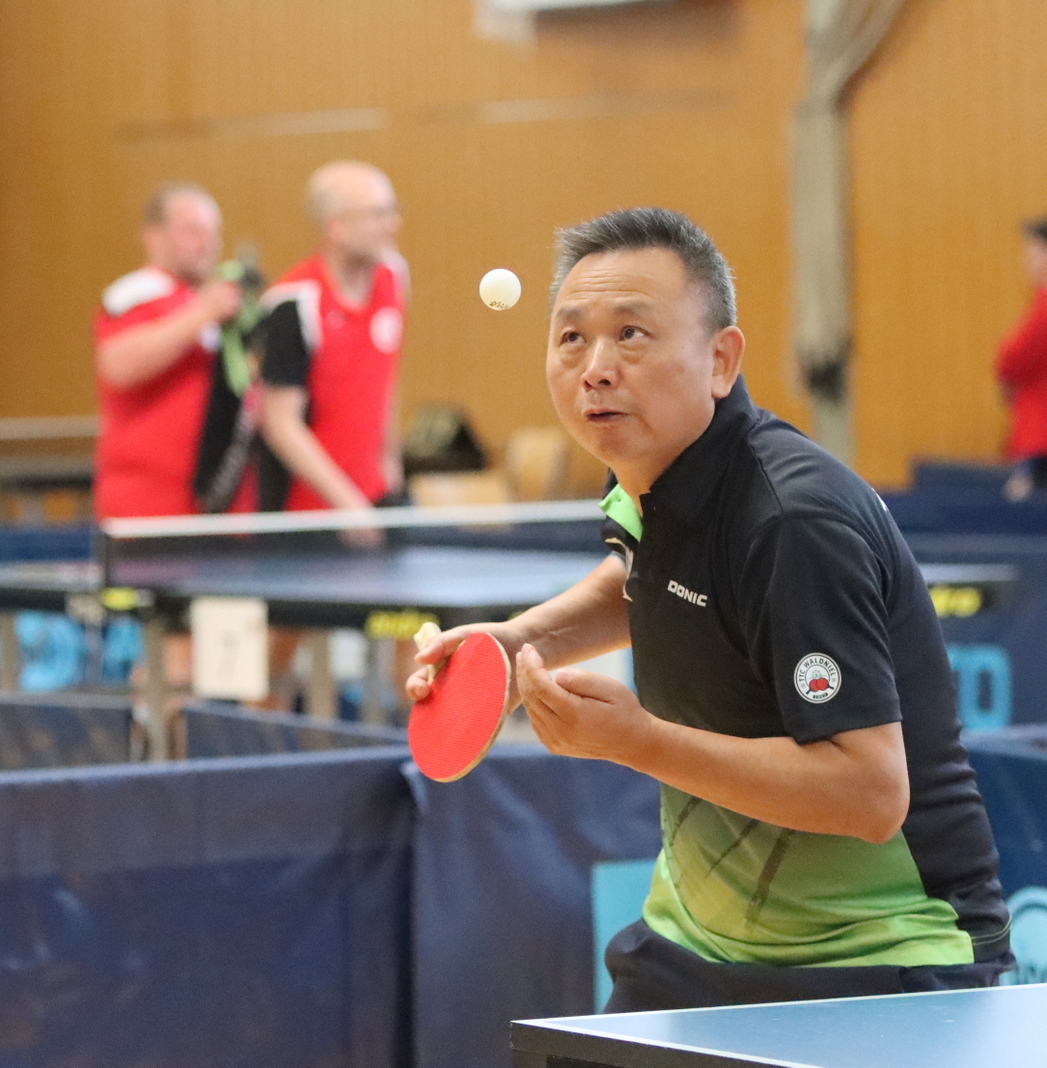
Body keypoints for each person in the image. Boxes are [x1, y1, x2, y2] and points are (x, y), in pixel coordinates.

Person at [409, 208, 1011, 1010]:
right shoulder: (648, 472)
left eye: (631, 334)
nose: (596, 368)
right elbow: (643, 576)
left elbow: (870, 794)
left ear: (721, 360)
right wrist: (518, 646)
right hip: (693, 939)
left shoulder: (793, 526)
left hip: (878, 952)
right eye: (572, 338)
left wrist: (637, 742)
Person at [256, 161, 406, 512]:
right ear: (336, 227)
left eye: (392, 211)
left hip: (376, 494)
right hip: (312, 512)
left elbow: (386, 376)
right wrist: (346, 504)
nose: (392, 224)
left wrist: (391, 459)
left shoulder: (394, 276)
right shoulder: (292, 304)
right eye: (377, 214)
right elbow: (280, 422)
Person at [93, 182, 241, 519]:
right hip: (148, 502)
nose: (208, 243)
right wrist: (202, 315)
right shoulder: (135, 294)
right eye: (193, 231)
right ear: (153, 236)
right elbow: (118, 366)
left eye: (213, 232)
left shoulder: (205, 301)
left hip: (209, 498)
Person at [996, 216, 1047, 501]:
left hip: (1041, 436)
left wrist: (1006, 372)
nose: (1026, 261)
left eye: (1033, 252)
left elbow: (1013, 357)